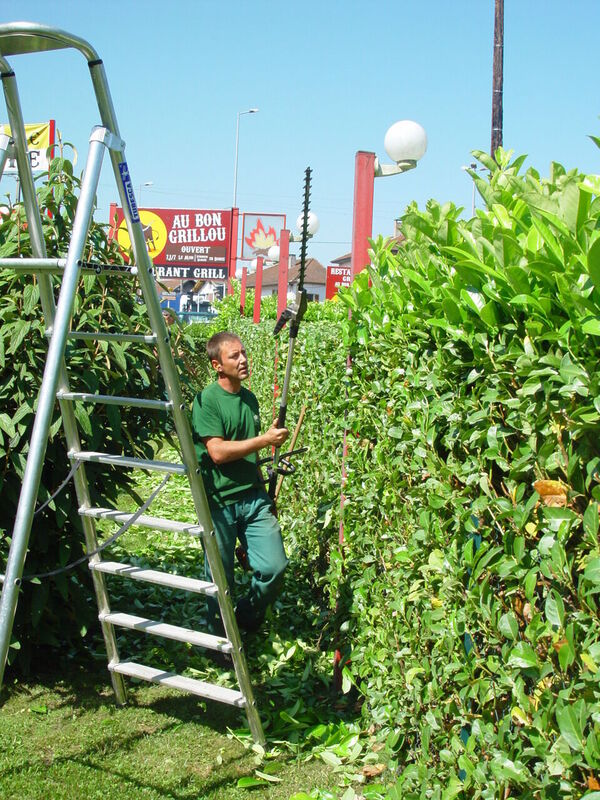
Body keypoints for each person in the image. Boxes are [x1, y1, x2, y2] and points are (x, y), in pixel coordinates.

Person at [191, 331, 289, 636]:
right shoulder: (206, 401)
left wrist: (265, 492)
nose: (244, 360)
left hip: (253, 498)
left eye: (244, 353)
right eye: (235, 356)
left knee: (275, 567)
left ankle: (246, 612)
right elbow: (217, 452)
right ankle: (219, 639)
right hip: (219, 501)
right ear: (217, 365)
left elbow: (249, 451)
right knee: (221, 579)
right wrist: (264, 440)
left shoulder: (250, 399)